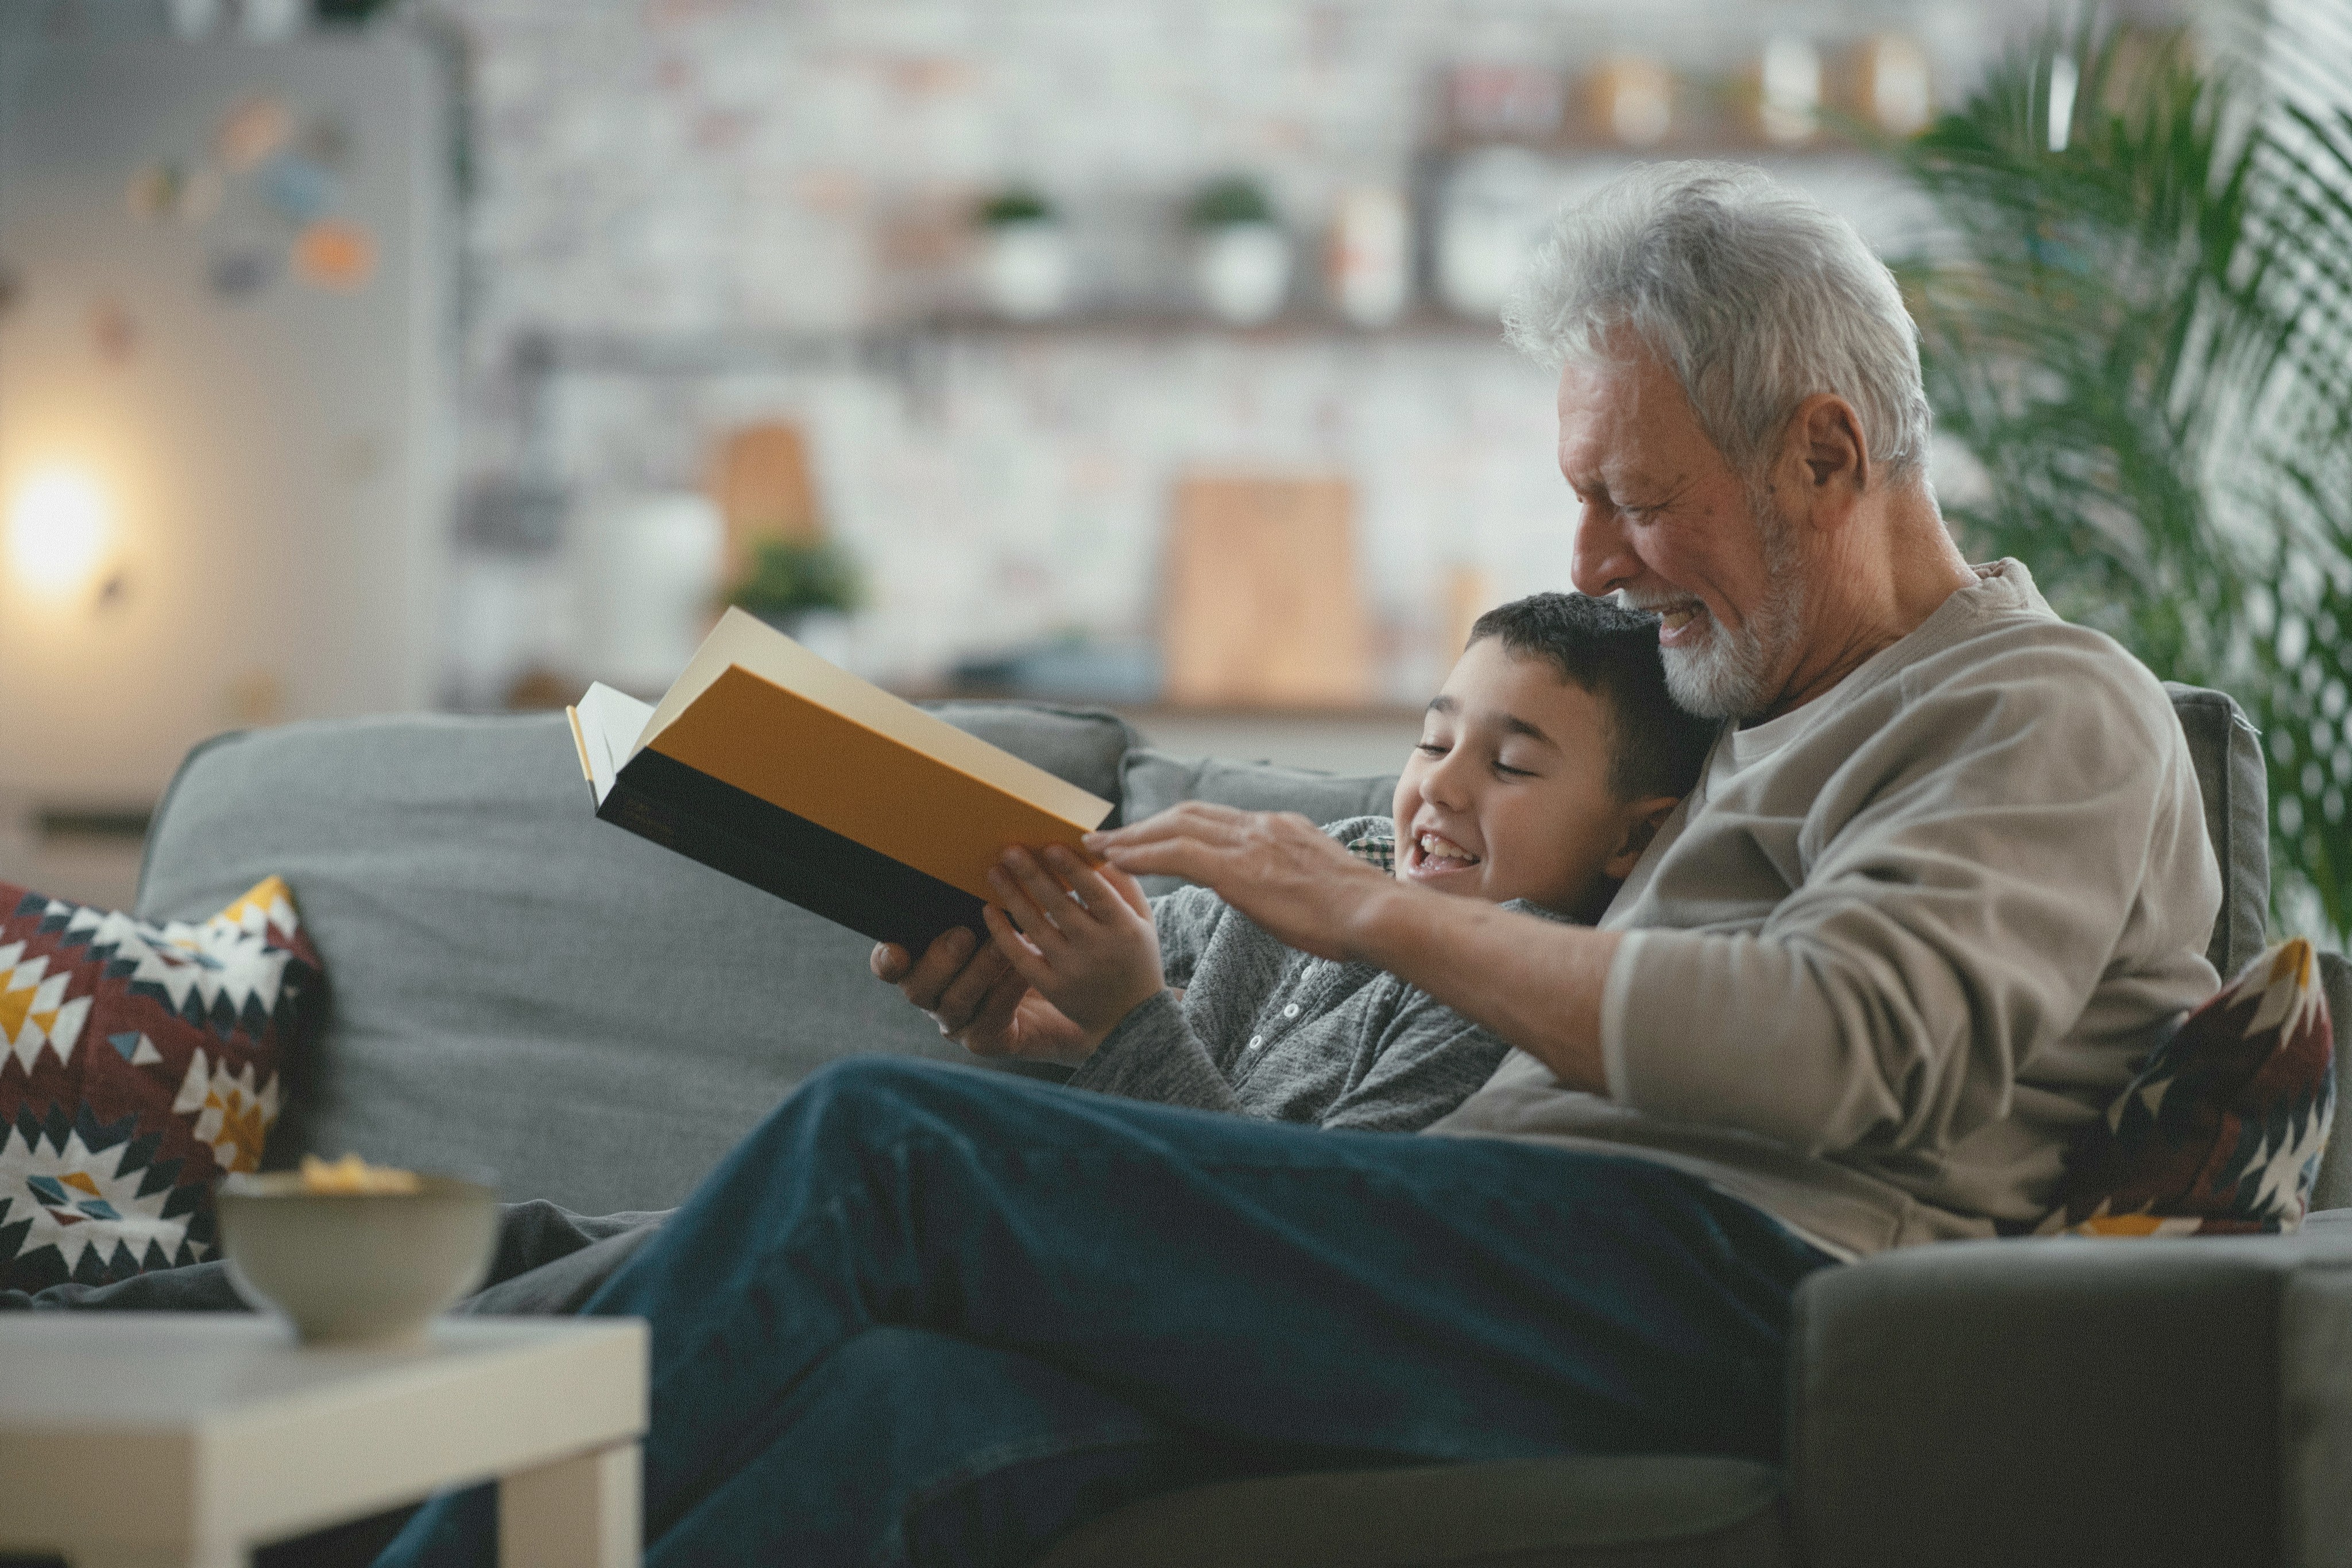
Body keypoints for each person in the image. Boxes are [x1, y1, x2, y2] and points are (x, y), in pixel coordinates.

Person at [357, 157, 2216, 1566]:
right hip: (1518, 1253)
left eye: (1634, 496)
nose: (1598, 553)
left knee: (878, 1151)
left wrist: (1377, 914)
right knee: (896, 1408)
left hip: (1714, 1282)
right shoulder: (1749, 710)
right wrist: (1075, 1019)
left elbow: (1838, 1046)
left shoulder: (2042, 711)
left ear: (1825, 451)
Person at [949, 591, 1713, 1132]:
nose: (1441, 784)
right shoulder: (1348, 853)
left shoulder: (1507, 1005)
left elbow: (1310, 1234)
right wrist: (1030, 986)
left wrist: (1128, 1018)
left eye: (1510, 765)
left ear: (1630, 841)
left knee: (878, 1121)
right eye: (1433, 742)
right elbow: (1132, 935)